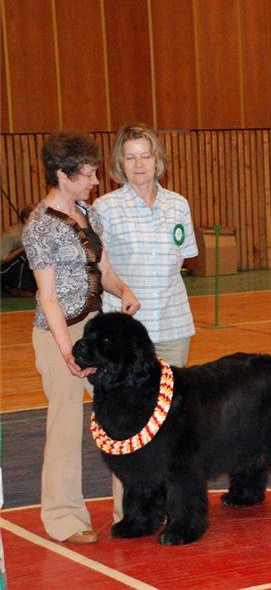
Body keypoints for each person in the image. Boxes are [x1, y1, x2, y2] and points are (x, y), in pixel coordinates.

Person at [22, 133, 140, 544]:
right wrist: (66, 352)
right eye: (87, 174)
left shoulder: (90, 213)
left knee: (123, 415)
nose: (94, 181)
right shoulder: (40, 227)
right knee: (66, 421)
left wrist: (123, 290)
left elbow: (103, 270)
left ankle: (133, 508)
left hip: (96, 328)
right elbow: (49, 298)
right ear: (61, 175)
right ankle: (64, 517)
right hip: (60, 333)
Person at [93, 124, 197, 366]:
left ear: (156, 160)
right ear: (121, 164)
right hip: (125, 328)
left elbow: (181, 259)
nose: (139, 165)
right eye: (130, 157)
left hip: (174, 324)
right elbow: (102, 270)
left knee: (169, 401)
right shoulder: (105, 207)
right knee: (127, 402)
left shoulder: (178, 205)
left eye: (145, 156)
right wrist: (123, 291)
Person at [1, 204, 37, 296]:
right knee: (25, 254)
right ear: (26, 219)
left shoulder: (37, 233)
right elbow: (2, 259)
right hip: (4, 271)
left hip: (22, 269)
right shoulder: (12, 234)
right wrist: (23, 248)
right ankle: (19, 288)